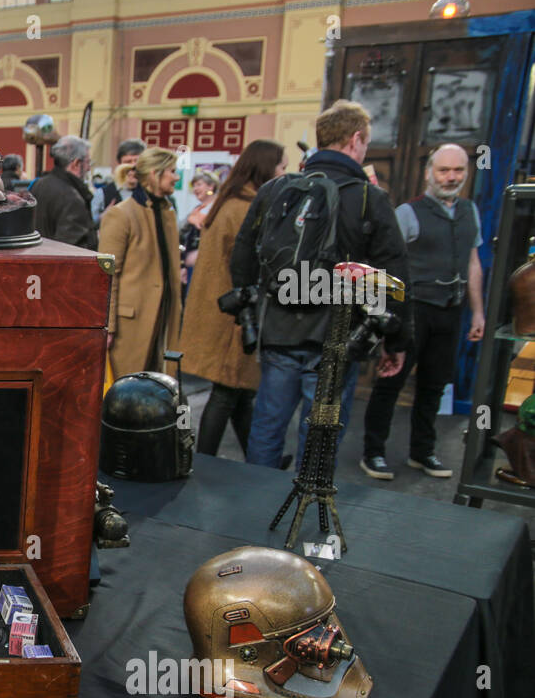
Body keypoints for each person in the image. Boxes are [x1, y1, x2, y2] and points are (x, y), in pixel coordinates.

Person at [231, 99, 412, 470]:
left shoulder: (275, 190)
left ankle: (252, 511)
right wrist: (395, 341)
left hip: (278, 331)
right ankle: (305, 515)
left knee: (267, 427)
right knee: (320, 436)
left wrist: (250, 311)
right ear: (356, 139)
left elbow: (242, 254)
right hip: (338, 339)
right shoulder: (368, 198)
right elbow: (394, 275)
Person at [361, 143, 485, 480]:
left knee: (434, 385)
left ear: (466, 172)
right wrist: (384, 317)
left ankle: (422, 452)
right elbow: (385, 265)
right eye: (443, 170)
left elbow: (474, 263)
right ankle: (373, 453)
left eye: (458, 170)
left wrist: (478, 312)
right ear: (428, 172)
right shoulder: (407, 212)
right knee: (390, 381)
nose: (451, 177)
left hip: (450, 310)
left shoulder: (470, 211)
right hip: (414, 310)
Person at [176, 140, 286, 456]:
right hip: (233, 316)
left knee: (237, 392)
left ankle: (260, 457)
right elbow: (253, 261)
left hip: (223, 311)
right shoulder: (245, 207)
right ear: (265, 168)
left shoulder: (233, 201)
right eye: (280, 166)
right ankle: (206, 460)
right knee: (228, 390)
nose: (284, 173)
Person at [99, 146, 181, 379]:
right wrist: (108, 327)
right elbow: (107, 275)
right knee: (125, 394)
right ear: (155, 173)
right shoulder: (121, 215)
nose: (176, 177)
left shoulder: (167, 212)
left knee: (157, 391)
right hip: (130, 323)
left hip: (162, 317)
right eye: (172, 171)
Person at [29, 135, 97, 250]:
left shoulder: (38, 184)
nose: (89, 168)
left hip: (35, 261)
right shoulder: (73, 198)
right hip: (54, 264)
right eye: (88, 162)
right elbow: (71, 251)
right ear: (76, 163)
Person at [179, 170, 219, 286]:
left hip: (210, 267)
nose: (195, 189)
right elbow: (180, 232)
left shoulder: (218, 208)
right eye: (194, 186)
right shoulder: (196, 209)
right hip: (192, 266)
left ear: (211, 186)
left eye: (199, 185)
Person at [94, 138, 146, 223]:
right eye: (128, 162)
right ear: (119, 165)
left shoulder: (151, 193)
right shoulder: (102, 194)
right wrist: (103, 217)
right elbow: (90, 225)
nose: (133, 166)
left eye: (137, 161)